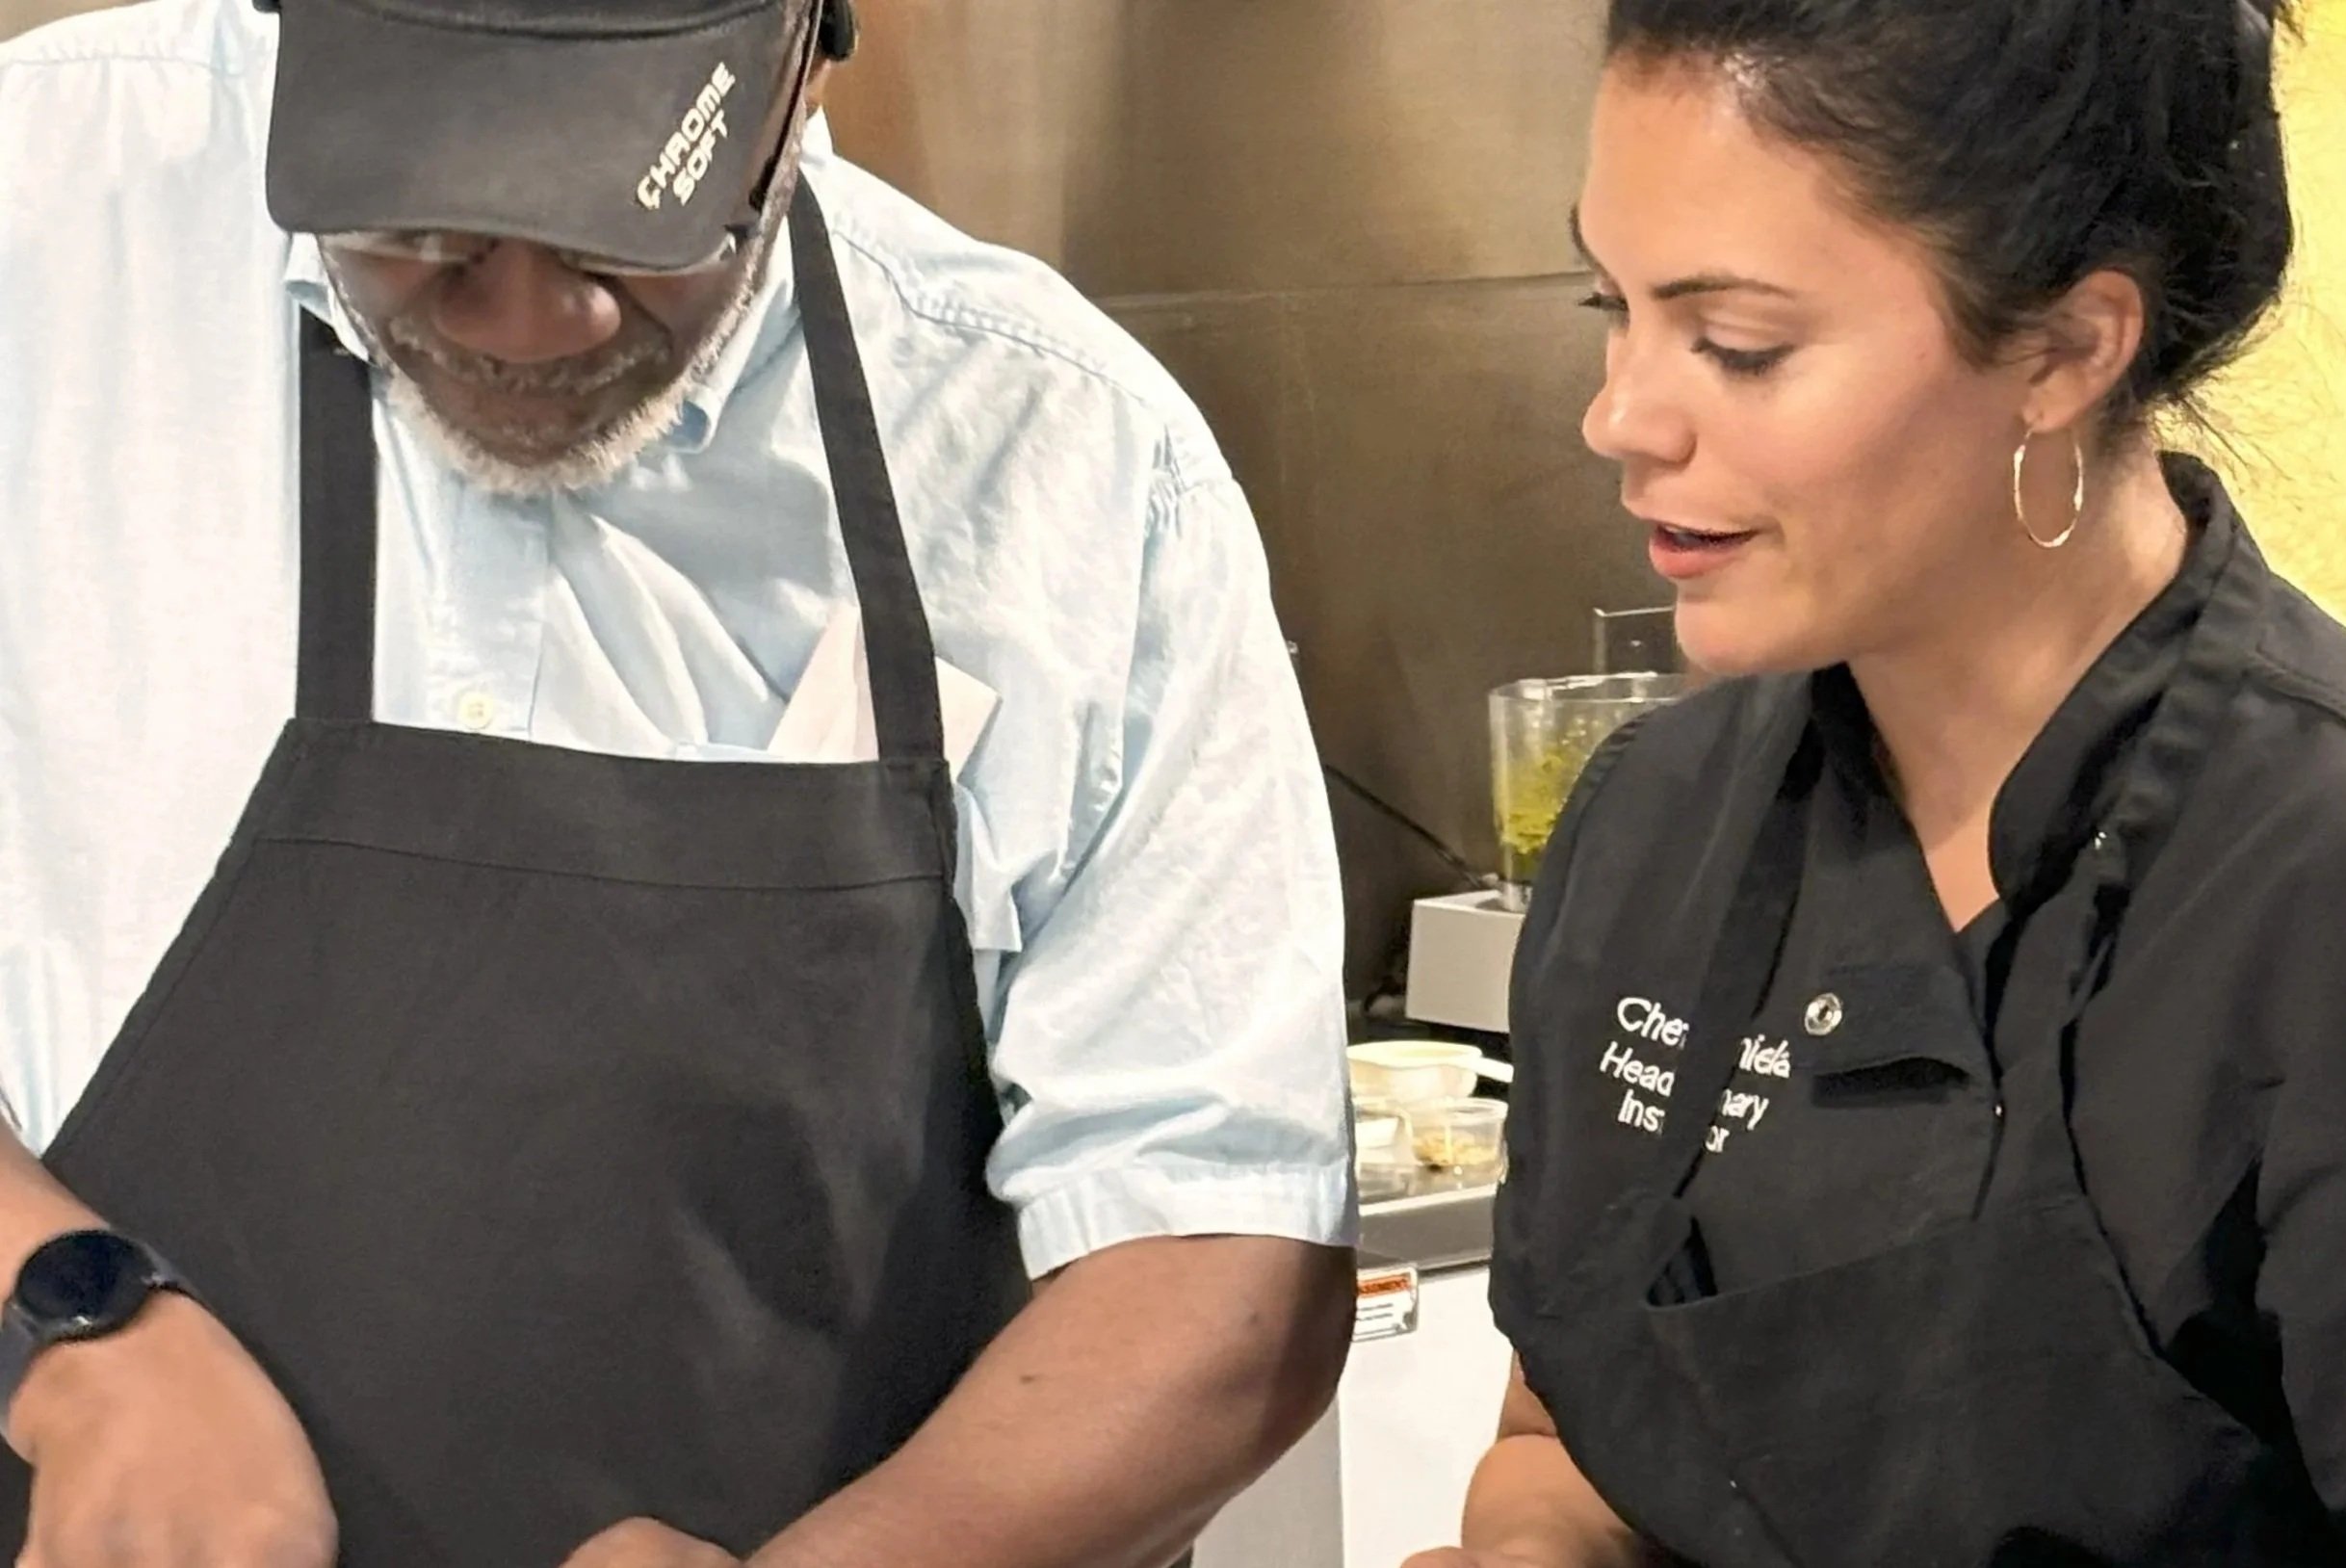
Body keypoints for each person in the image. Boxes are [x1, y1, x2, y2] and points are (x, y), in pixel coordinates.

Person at [0, 0, 1359, 1563]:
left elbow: (1218, 1246)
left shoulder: (1057, 458)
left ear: (805, 58)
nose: (527, 321)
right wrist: (75, 1325)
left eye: (630, 223)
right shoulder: (45, 213)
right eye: (423, 229)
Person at [1410, 0, 2346, 1563]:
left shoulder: (2308, 881)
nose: (1619, 416)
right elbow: (1564, 1444)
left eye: (1738, 344)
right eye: (1612, 303)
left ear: (2061, 350)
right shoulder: (1656, 818)